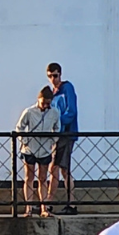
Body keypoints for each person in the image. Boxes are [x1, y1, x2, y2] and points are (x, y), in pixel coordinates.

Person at [15, 86, 60, 217]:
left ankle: (44, 208)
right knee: (29, 177)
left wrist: (52, 141)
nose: (45, 105)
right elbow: (19, 127)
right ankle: (28, 208)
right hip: (30, 149)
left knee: (43, 178)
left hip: (45, 149)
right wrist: (25, 140)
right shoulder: (29, 112)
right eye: (43, 102)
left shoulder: (54, 112)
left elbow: (57, 128)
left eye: (48, 103)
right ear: (38, 100)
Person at [47, 63, 79, 215]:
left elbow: (71, 111)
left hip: (66, 134)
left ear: (60, 74)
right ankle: (48, 201)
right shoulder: (53, 92)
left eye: (55, 75)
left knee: (62, 169)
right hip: (57, 136)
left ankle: (68, 203)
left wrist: (59, 123)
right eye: (50, 76)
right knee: (55, 168)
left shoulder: (67, 88)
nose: (53, 79)